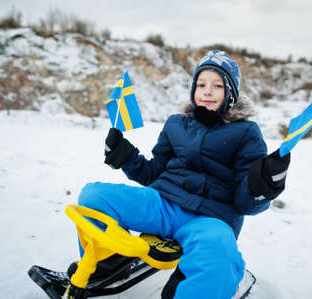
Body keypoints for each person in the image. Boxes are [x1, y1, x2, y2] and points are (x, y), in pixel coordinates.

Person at [77, 50, 291, 299]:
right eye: (201, 84)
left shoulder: (246, 132)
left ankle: (190, 287)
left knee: (221, 254)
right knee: (93, 197)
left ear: (230, 94)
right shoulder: (175, 124)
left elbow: (245, 203)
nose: (207, 91)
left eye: (217, 85)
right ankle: (107, 265)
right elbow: (153, 173)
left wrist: (261, 187)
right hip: (162, 205)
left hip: (211, 219)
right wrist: (124, 155)